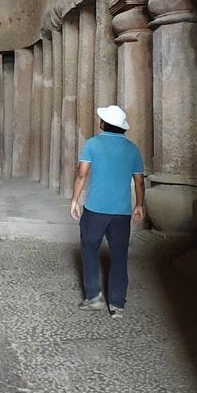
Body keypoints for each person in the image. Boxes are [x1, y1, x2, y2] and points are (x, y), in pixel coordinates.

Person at [69, 104, 145, 319]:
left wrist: (74, 199)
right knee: (120, 256)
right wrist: (139, 204)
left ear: (104, 124)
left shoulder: (92, 144)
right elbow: (139, 182)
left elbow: (82, 174)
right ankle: (117, 305)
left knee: (89, 249)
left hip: (95, 209)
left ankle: (94, 297)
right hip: (121, 212)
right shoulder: (132, 149)